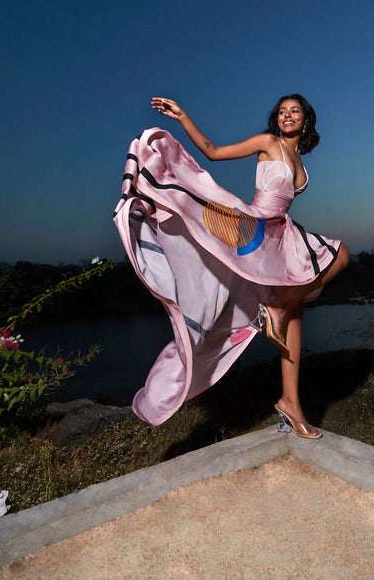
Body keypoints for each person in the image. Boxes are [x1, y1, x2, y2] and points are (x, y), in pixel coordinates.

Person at [114, 94, 349, 439]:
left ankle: (290, 401)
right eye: (282, 111)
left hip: (281, 235)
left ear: (306, 120)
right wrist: (183, 116)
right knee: (339, 255)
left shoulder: (299, 158)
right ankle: (275, 308)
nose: (286, 115)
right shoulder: (268, 142)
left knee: (297, 314)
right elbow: (212, 151)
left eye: (294, 111)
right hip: (255, 228)